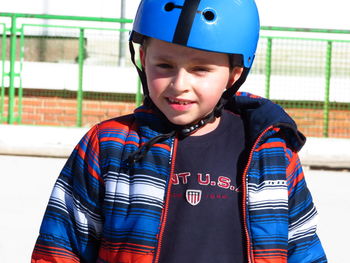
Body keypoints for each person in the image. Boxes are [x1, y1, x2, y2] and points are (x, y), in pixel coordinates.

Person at [31, 0, 327, 262]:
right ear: (143, 58)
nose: (179, 83)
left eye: (200, 69)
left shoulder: (269, 152)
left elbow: (302, 246)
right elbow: (60, 245)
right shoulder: (109, 145)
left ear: (234, 73)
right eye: (164, 65)